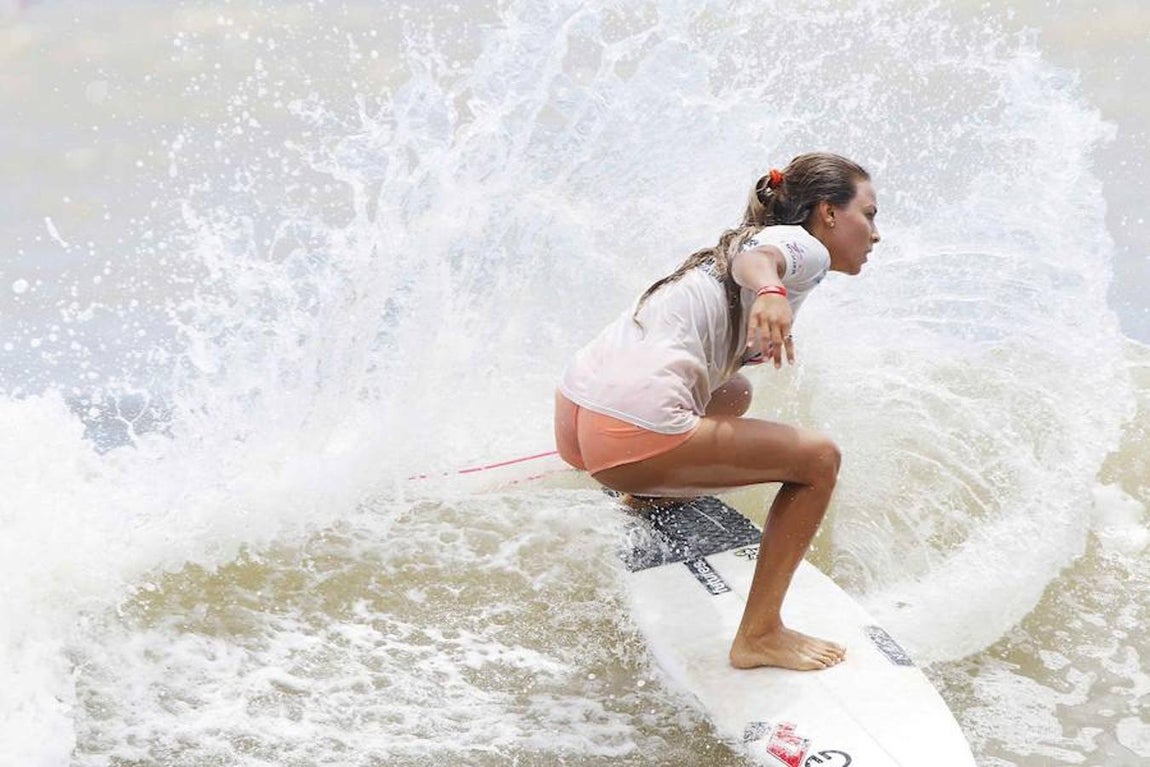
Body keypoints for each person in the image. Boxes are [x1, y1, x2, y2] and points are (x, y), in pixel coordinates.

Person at [554, 152, 880, 671]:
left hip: (578, 415)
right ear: (829, 213)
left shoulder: (726, 252)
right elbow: (760, 257)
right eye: (870, 214)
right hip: (630, 433)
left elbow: (748, 259)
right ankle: (761, 634)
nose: (875, 233)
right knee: (820, 460)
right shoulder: (803, 248)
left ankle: (643, 492)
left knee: (734, 396)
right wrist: (771, 290)